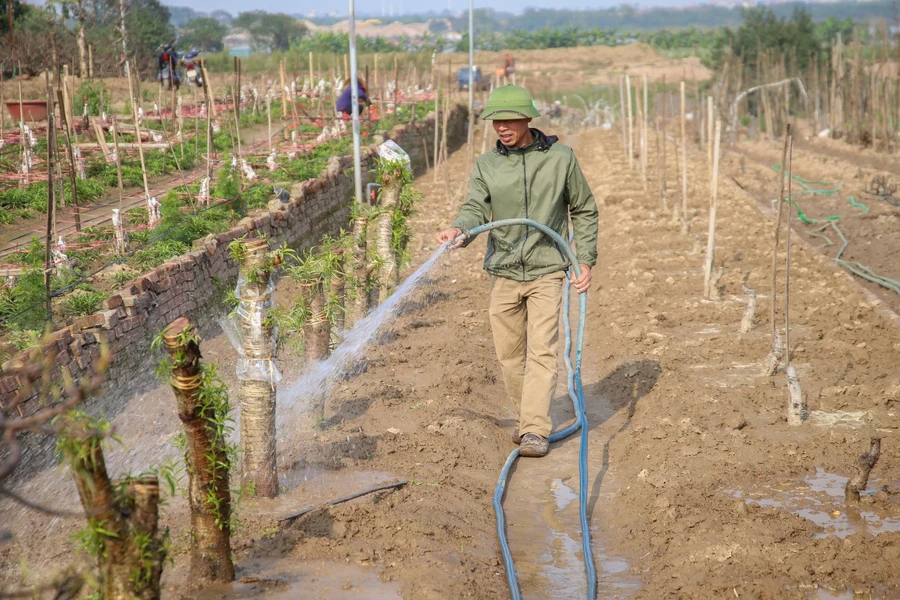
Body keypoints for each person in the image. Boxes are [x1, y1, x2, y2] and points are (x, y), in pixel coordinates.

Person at [436, 85, 598, 458]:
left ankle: (535, 431)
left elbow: (584, 209)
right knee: (510, 355)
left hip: (547, 269)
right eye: (496, 121)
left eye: (509, 120)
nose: (502, 128)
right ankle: (527, 419)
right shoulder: (487, 165)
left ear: (527, 119)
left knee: (542, 351)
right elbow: (476, 207)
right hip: (505, 269)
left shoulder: (561, 159)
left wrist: (584, 258)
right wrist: (459, 228)